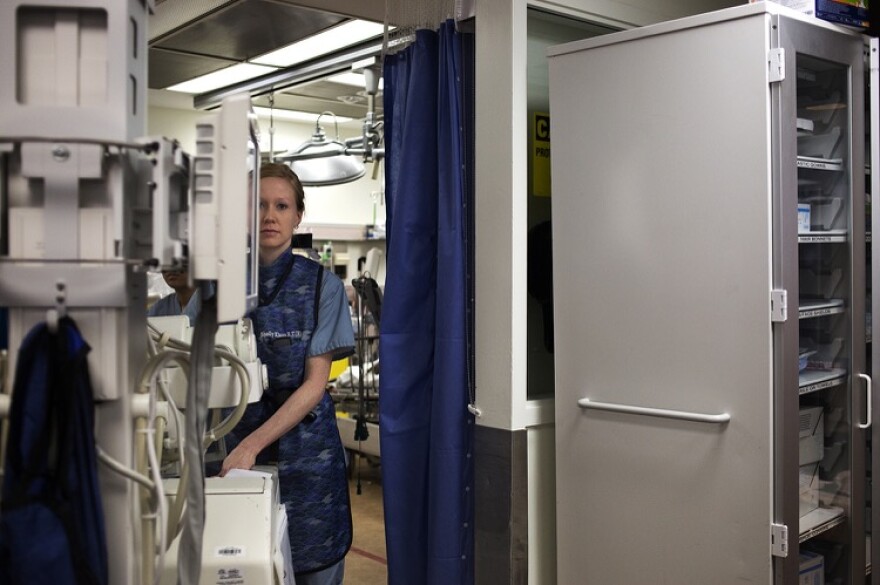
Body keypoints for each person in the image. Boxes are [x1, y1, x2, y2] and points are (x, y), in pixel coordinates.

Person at [219, 163, 355, 585]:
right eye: (258, 205)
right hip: (236, 455)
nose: (269, 216)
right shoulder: (220, 283)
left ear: (298, 216)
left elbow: (315, 384)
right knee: (246, 566)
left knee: (315, 563)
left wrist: (250, 446)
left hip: (307, 459)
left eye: (281, 206)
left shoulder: (322, 287)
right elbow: (174, 350)